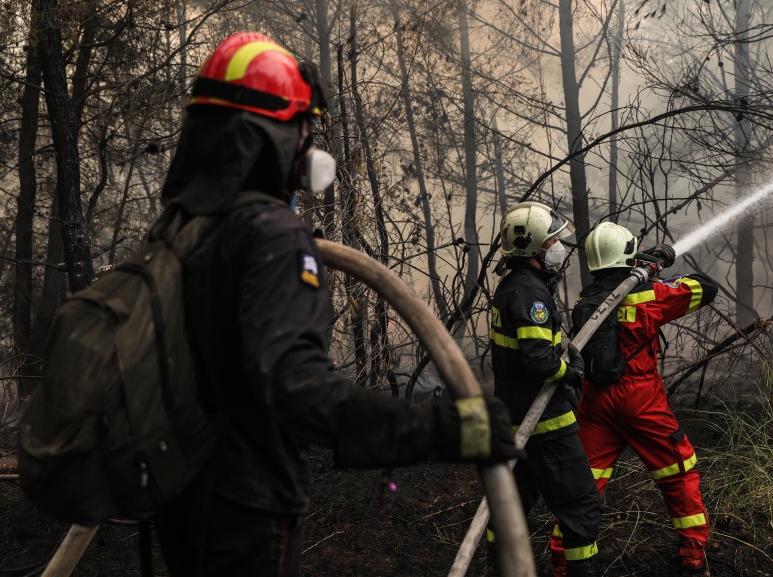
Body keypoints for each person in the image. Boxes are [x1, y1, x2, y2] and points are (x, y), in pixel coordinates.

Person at [153, 32, 516, 576]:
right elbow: (296, 386)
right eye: (303, 127)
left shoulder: (181, 231)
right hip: (246, 505)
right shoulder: (270, 235)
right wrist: (443, 429)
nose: (308, 145)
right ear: (272, 134)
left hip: (181, 495)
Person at [551, 222, 718, 574]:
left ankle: (564, 564)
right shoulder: (649, 295)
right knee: (678, 471)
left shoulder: (585, 299)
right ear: (629, 254)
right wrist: (657, 267)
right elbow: (706, 287)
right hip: (640, 399)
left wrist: (642, 270)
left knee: (583, 485)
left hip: (594, 403)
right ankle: (692, 554)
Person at [488, 202, 603, 577]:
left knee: (511, 504)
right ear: (534, 247)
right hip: (545, 423)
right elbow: (540, 362)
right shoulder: (529, 294)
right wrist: (571, 372)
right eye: (553, 240)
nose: (559, 246)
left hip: (516, 417)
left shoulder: (515, 286)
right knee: (580, 504)